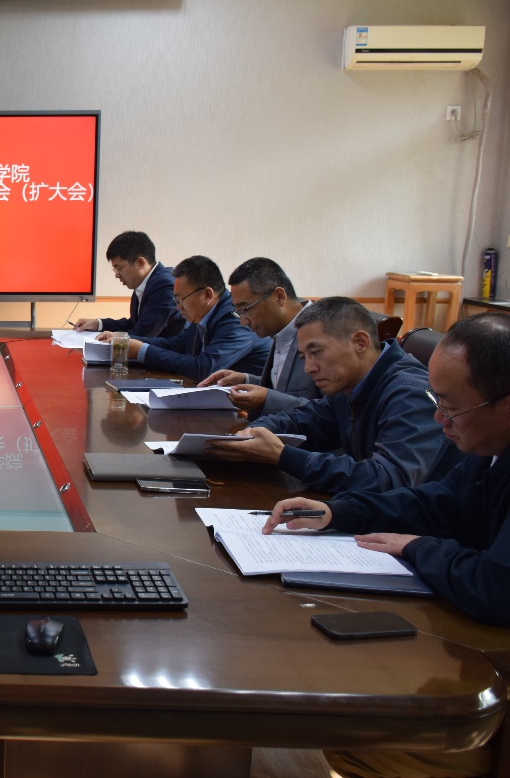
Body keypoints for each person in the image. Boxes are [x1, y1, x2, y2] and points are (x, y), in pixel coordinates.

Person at [262, 312, 510, 778]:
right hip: (471, 644)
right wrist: (339, 512)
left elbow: (496, 587)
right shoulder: (489, 449)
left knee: (354, 737)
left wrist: (416, 547)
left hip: (492, 669)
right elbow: (434, 502)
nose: (438, 419)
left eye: (450, 405)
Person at [207, 297, 460, 494]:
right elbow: (305, 420)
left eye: (316, 353)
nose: (309, 368)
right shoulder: (349, 384)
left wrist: (283, 455)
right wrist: (257, 432)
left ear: (360, 343)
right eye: (304, 357)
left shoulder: (410, 392)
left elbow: (389, 480)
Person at [100, 255, 270, 383]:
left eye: (181, 299)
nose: (178, 307)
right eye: (175, 300)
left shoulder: (235, 319)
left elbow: (204, 369)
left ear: (207, 295)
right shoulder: (204, 314)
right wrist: (126, 340)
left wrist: (143, 351)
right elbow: (177, 344)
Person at [198, 257, 319, 416]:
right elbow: (283, 389)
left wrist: (267, 399)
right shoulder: (280, 330)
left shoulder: (324, 330)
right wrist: (246, 380)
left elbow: (331, 411)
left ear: (279, 297)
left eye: (246, 309)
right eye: (238, 312)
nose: (243, 322)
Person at [72, 231, 184, 338]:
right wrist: (98, 324)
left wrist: (113, 338)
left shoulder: (164, 286)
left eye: (119, 268)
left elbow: (142, 335)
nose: (117, 275)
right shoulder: (145, 283)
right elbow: (134, 324)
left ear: (140, 263)